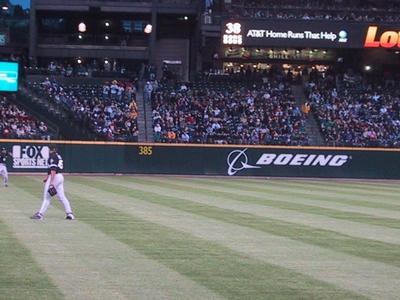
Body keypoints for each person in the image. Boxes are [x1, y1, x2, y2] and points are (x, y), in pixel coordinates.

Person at [31, 147, 75, 220]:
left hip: (55, 177)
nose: (49, 151)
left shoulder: (52, 156)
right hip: (60, 177)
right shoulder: (58, 156)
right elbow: (52, 169)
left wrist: (51, 182)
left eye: (50, 149)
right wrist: (47, 178)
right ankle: (70, 214)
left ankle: (40, 215)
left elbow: (53, 170)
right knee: (62, 197)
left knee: (47, 197)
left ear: (53, 150)